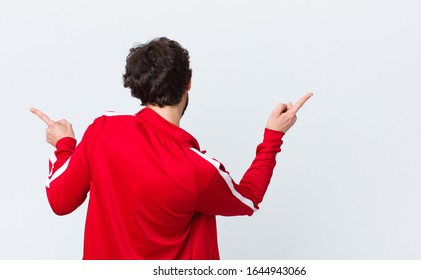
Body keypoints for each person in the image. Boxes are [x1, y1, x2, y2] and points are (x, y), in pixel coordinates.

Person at [30, 37, 313, 260]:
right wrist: (273, 136)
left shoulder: (103, 131)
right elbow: (248, 198)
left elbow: (60, 201)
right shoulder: (196, 169)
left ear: (137, 86)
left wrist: (65, 145)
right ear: (188, 83)